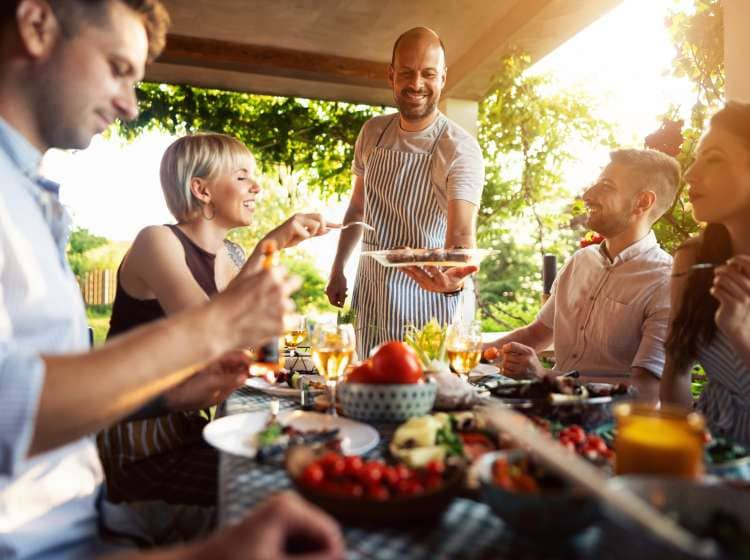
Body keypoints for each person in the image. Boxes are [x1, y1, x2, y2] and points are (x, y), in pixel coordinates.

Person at [0, 0, 343, 558]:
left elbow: (36, 399)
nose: (132, 106)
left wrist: (161, 397)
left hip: (95, 523)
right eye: (118, 67)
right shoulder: (148, 237)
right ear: (36, 26)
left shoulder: (29, 198)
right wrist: (217, 325)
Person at [98, 132, 333, 508]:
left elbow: (271, 334)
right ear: (201, 189)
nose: (257, 186)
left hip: (195, 428)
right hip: (143, 447)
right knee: (285, 485)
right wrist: (268, 247)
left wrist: (316, 376)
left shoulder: (233, 254)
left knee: (319, 461)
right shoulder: (157, 242)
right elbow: (217, 336)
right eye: (242, 177)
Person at [325, 27, 484, 357]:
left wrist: (453, 279)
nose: (416, 84)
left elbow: (460, 233)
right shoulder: (372, 133)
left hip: (428, 300)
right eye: (407, 73)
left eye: (428, 74)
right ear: (391, 75)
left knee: (423, 400)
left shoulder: (459, 148)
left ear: (442, 77)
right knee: (366, 392)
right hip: (372, 294)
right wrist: (338, 267)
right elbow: (358, 208)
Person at [484, 149, 682, 401]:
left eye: (606, 186)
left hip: (610, 428)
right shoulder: (580, 261)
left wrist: (544, 377)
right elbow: (537, 334)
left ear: (643, 202)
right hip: (552, 410)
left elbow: (647, 390)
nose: (587, 196)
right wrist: (462, 354)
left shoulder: (666, 282)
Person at [661, 102, 750, 445]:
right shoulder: (693, 259)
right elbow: (675, 372)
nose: (690, 174)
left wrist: (743, 336)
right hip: (706, 460)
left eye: (713, 158)